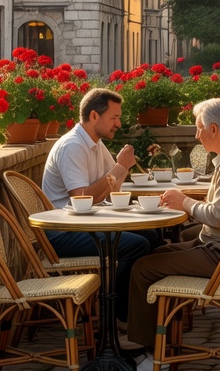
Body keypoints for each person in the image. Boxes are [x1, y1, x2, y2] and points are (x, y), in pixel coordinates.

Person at [126, 98, 220, 371]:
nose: (196, 134)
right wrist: (186, 202)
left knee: (142, 268)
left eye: (198, 128)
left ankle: (156, 355)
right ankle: (162, 344)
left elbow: (219, 217)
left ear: (213, 129)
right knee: (153, 255)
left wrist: (184, 203)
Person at [41, 88, 151, 322]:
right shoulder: (72, 146)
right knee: (137, 246)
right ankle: (116, 316)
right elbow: (81, 198)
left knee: (151, 236)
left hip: (84, 224)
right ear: (93, 116)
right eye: (114, 117)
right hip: (62, 232)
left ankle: (141, 313)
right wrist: (121, 167)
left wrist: (123, 167)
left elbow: (112, 186)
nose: (119, 124)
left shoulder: (96, 143)